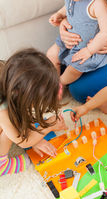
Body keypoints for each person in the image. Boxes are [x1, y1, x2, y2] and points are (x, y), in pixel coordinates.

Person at [0, 49, 67, 177]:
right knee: (11, 123)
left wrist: (36, 140)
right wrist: (49, 125)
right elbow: (24, 141)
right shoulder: (4, 112)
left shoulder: (8, 75)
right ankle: (3, 166)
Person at [47, 0, 107, 86]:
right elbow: (67, 7)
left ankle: (60, 84)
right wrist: (59, 14)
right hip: (69, 41)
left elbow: (106, 32)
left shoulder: (98, 4)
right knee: (51, 54)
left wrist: (89, 50)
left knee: (73, 70)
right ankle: (53, 81)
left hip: (87, 48)